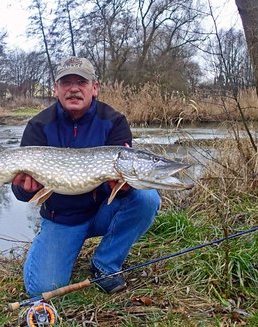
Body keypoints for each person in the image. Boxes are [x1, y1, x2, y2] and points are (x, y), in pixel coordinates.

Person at [11, 56, 161, 296]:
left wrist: (124, 187)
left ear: (95, 87)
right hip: (62, 219)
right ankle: (59, 247)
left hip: (102, 212)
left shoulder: (114, 122)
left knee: (147, 198)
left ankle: (105, 264)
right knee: (42, 289)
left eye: (81, 82)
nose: (73, 88)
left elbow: (127, 182)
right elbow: (19, 192)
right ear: (56, 89)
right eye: (66, 82)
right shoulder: (38, 126)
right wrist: (25, 188)